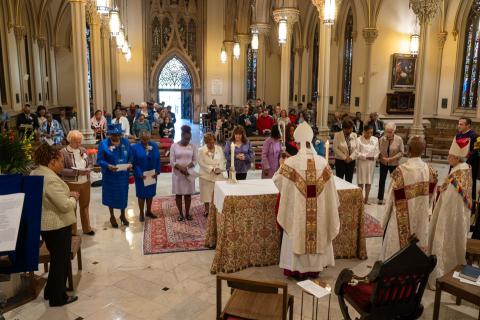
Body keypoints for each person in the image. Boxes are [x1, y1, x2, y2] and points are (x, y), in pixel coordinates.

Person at [274, 122, 340, 279]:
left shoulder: (291, 163)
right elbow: (332, 195)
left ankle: (297, 270)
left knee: (297, 230)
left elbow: (277, 180)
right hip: (318, 219)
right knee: (318, 230)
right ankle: (314, 268)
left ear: (297, 143)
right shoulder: (323, 164)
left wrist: (281, 165)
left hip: (298, 217)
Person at [30, 144, 79, 307]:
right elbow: (64, 206)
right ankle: (58, 298)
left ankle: (50, 291)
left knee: (57, 259)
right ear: (51, 161)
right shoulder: (50, 178)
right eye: (60, 161)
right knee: (61, 261)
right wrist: (74, 198)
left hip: (47, 226)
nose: (62, 164)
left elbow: (51, 197)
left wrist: (66, 194)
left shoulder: (36, 172)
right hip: (57, 224)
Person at [380, 136, 438, 261]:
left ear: (408, 149)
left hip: (401, 219)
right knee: (419, 242)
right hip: (421, 216)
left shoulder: (401, 171)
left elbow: (390, 198)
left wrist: (383, 221)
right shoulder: (431, 171)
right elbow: (432, 199)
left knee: (396, 253)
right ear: (424, 150)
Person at [428, 137, 472, 289]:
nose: (448, 158)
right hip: (459, 216)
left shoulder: (457, 173)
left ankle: (441, 271)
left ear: (455, 157)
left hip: (450, 216)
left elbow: (450, 199)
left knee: (445, 239)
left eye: (449, 155)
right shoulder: (465, 168)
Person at [97, 123, 132, 228]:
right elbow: (99, 160)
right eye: (114, 135)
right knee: (111, 196)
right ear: (109, 134)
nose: (116, 137)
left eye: (118, 134)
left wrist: (130, 163)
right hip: (110, 176)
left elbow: (131, 156)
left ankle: (122, 215)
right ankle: (112, 216)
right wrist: (108, 166)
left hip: (122, 175)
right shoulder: (103, 144)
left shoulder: (126, 142)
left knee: (123, 195)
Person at [60, 130, 95, 236]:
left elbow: (89, 162)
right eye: (76, 141)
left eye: (80, 141)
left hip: (85, 182)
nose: (79, 144)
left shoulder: (83, 150)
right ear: (70, 140)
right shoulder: (63, 152)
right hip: (72, 183)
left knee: (85, 206)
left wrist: (88, 168)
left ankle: (87, 228)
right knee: (72, 207)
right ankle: (73, 230)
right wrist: (76, 172)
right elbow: (61, 170)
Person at [132, 131, 160, 222]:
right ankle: (141, 212)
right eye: (143, 139)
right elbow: (134, 162)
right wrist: (139, 174)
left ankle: (148, 211)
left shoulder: (154, 146)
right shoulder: (135, 147)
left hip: (152, 174)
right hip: (141, 175)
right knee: (141, 195)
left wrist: (157, 171)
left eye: (148, 139)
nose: (146, 141)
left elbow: (158, 159)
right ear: (140, 138)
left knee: (150, 194)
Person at [170, 125, 197, 221]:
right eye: (185, 139)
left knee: (188, 194)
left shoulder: (193, 146)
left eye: (189, 139)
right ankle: (180, 214)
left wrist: (187, 168)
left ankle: (187, 213)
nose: (187, 141)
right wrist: (180, 168)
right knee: (178, 194)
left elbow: (195, 161)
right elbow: (172, 161)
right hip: (178, 174)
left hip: (188, 173)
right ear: (181, 136)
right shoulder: (174, 146)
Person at [198, 133, 226, 216]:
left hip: (218, 174)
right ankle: (207, 210)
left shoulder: (219, 148)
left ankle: (218, 209)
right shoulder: (201, 150)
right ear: (206, 142)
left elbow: (223, 160)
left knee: (217, 193)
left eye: (213, 142)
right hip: (206, 175)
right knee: (206, 195)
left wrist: (219, 168)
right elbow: (201, 162)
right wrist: (211, 169)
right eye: (209, 143)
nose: (211, 144)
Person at [377, 122, 404, 204]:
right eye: (387, 131)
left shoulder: (399, 139)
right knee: (382, 180)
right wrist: (382, 158)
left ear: (394, 131)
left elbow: (401, 152)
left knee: (396, 181)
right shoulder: (382, 139)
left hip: (394, 163)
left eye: (390, 132)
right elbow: (378, 151)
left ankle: (396, 198)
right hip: (383, 162)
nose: (388, 133)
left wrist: (392, 158)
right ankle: (380, 198)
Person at [456, 118, 479, 215]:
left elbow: (475, 151)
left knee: (469, 185)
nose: (459, 126)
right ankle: (457, 204)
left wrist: (465, 160)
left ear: (468, 125)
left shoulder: (474, 136)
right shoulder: (458, 135)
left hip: (469, 165)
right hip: (457, 164)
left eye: (461, 124)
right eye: (458, 124)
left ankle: (470, 207)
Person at [356, 126, 379, 204]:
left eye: (371, 132)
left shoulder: (375, 140)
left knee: (369, 181)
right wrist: (365, 156)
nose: (370, 134)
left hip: (371, 163)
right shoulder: (358, 140)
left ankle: (366, 199)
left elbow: (377, 152)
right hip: (362, 163)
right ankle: (360, 199)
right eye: (368, 132)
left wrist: (373, 157)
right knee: (361, 181)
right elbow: (357, 152)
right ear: (364, 132)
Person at [333, 119, 357, 183]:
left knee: (349, 180)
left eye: (351, 128)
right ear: (343, 128)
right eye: (348, 129)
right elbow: (335, 148)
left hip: (351, 161)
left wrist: (351, 157)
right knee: (339, 180)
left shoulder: (354, 135)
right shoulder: (337, 135)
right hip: (340, 161)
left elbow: (357, 148)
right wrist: (345, 158)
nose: (350, 130)